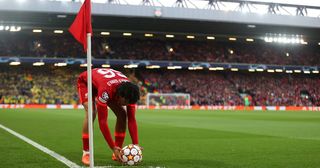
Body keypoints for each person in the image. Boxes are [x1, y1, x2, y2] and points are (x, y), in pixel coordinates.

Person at [77, 68, 141, 165]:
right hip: (87, 83)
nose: (125, 105)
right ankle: (86, 152)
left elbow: (131, 119)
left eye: (128, 103)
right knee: (92, 111)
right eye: (125, 102)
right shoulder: (105, 91)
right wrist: (112, 147)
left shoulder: (130, 94)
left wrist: (136, 144)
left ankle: (117, 152)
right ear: (120, 95)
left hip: (108, 84)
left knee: (122, 114)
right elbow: (102, 122)